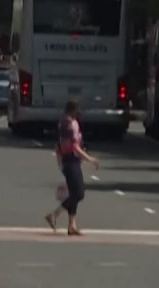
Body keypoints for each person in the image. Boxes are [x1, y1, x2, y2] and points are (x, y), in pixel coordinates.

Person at [45, 100, 99, 235]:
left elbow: (59, 145)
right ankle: (54, 215)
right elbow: (74, 146)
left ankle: (72, 225)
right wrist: (90, 159)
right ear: (73, 110)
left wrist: (60, 162)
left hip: (67, 160)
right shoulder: (70, 124)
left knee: (74, 192)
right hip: (72, 160)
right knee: (78, 193)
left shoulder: (64, 123)